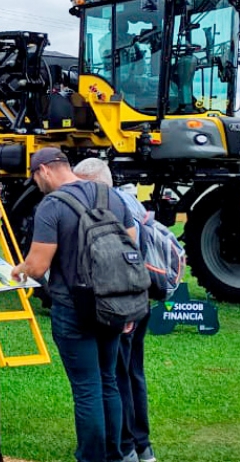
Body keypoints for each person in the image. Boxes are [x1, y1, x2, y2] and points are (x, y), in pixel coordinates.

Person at [12, 148, 137, 462]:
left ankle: (90, 457)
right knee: (108, 379)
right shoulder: (113, 197)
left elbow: (38, 268)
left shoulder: (51, 206)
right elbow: (133, 247)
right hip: (113, 305)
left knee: (86, 387)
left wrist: (18, 269)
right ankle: (115, 454)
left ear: (43, 171)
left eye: (34, 177)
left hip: (73, 307)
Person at [73, 158, 156, 462]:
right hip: (140, 295)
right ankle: (142, 446)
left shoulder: (110, 206)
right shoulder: (129, 202)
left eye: (80, 184)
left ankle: (125, 446)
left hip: (123, 302)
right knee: (132, 372)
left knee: (117, 375)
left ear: (93, 181)